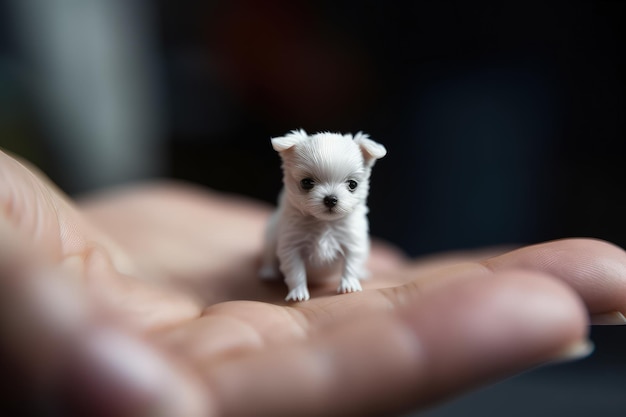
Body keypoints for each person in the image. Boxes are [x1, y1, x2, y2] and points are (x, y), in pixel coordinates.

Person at [0, 148, 624, 417]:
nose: (331, 199)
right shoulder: (287, 218)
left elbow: (354, 249)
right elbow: (288, 243)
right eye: (311, 187)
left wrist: (351, 274)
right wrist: (285, 274)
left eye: (349, 187)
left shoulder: (350, 205)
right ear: (289, 169)